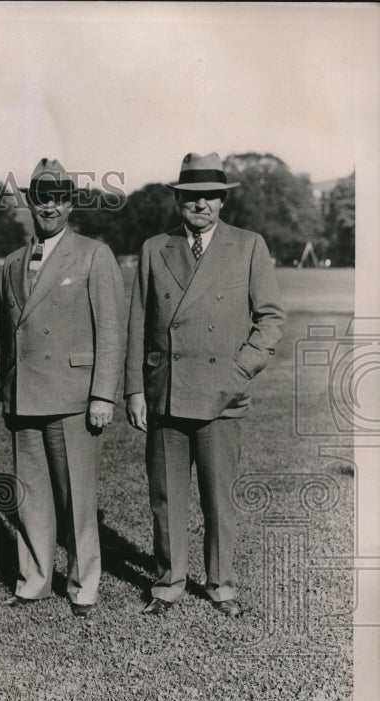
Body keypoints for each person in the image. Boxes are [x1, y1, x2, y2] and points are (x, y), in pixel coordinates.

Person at [125, 152, 285, 618]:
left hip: (222, 396)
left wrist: (238, 372)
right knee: (166, 498)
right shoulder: (155, 247)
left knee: (219, 499)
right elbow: (139, 321)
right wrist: (135, 389)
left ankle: (221, 585)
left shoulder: (249, 245)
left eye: (211, 196)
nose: (202, 205)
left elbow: (271, 319)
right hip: (166, 392)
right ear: (178, 199)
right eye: (192, 196)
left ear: (222, 201)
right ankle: (169, 584)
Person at [0, 158, 126, 619]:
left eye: (57, 198)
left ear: (70, 203)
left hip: (74, 397)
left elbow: (111, 330)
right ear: (30, 202)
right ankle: (33, 580)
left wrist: (103, 395)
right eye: (40, 198)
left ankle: (82, 584)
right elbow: (6, 335)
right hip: (25, 397)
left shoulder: (93, 254)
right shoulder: (12, 262)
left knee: (77, 497)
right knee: (30, 496)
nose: (48, 207)